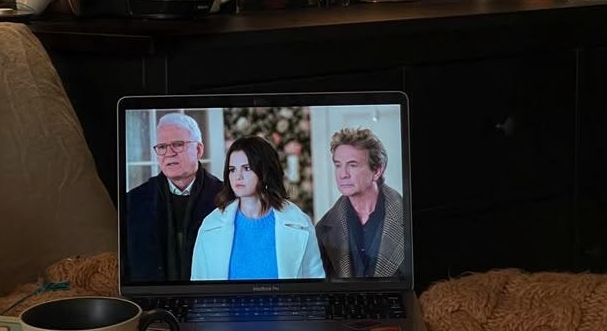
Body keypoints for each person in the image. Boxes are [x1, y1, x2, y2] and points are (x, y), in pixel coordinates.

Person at [191, 135, 325, 280]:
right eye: (232, 170)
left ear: (265, 171)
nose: (238, 176)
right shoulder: (211, 226)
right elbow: (199, 288)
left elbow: (314, 286)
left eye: (246, 168)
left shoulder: (300, 223)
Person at [126, 113, 223, 282]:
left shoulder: (227, 198)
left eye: (178, 145)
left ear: (198, 150)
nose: (168, 153)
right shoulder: (134, 201)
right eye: (162, 147)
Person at [315, 127, 404, 278]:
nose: (343, 174)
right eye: (338, 165)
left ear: (377, 171)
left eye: (352, 165)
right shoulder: (323, 229)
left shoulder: (407, 217)